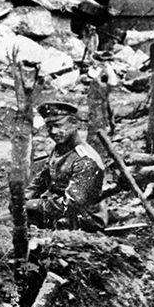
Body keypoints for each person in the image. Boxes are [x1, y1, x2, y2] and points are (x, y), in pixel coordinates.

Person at [27, 99, 107, 231]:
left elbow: (71, 204)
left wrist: (32, 205)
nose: (53, 131)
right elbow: (43, 178)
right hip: (60, 213)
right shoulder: (60, 149)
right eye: (49, 127)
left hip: (84, 220)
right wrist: (25, 197)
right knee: (5, 220)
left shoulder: (86, 159)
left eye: (58, 125)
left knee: (6, 224)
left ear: (74, 123)